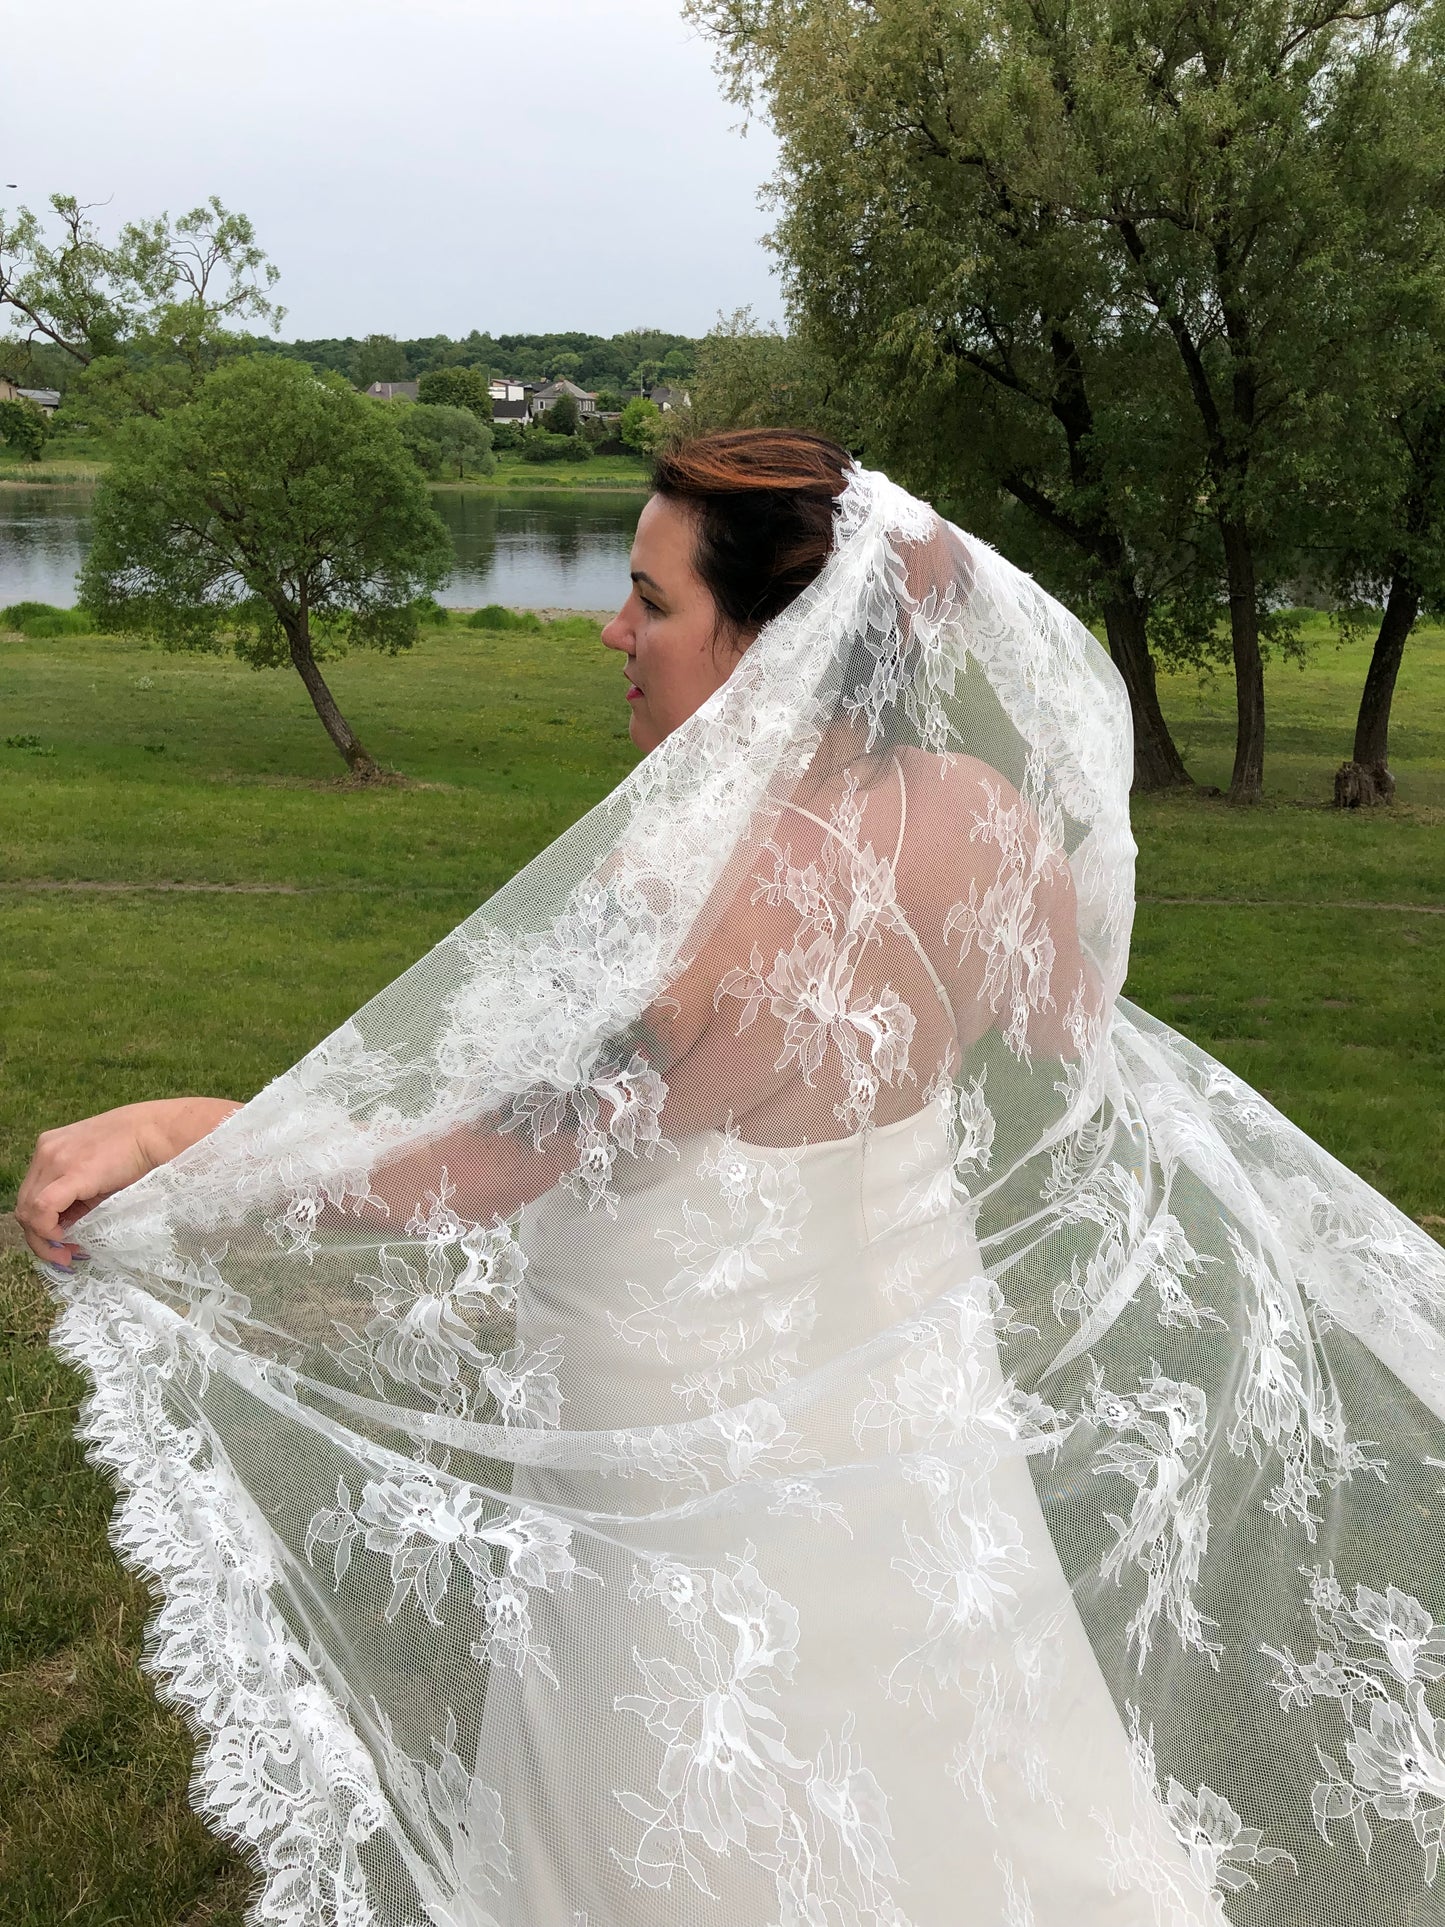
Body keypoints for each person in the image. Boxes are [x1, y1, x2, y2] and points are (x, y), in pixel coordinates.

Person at [17, 431, 1445, 1926]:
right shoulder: (988, 818)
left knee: (678, 1768)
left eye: (649, 601)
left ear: (772, 648)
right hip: (916, 1396)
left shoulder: (678, 888)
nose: (611, 631)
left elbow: (486, 1163)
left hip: (682, 1428)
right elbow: (1068, 1033)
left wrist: (189, 1137)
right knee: (952, 1726)